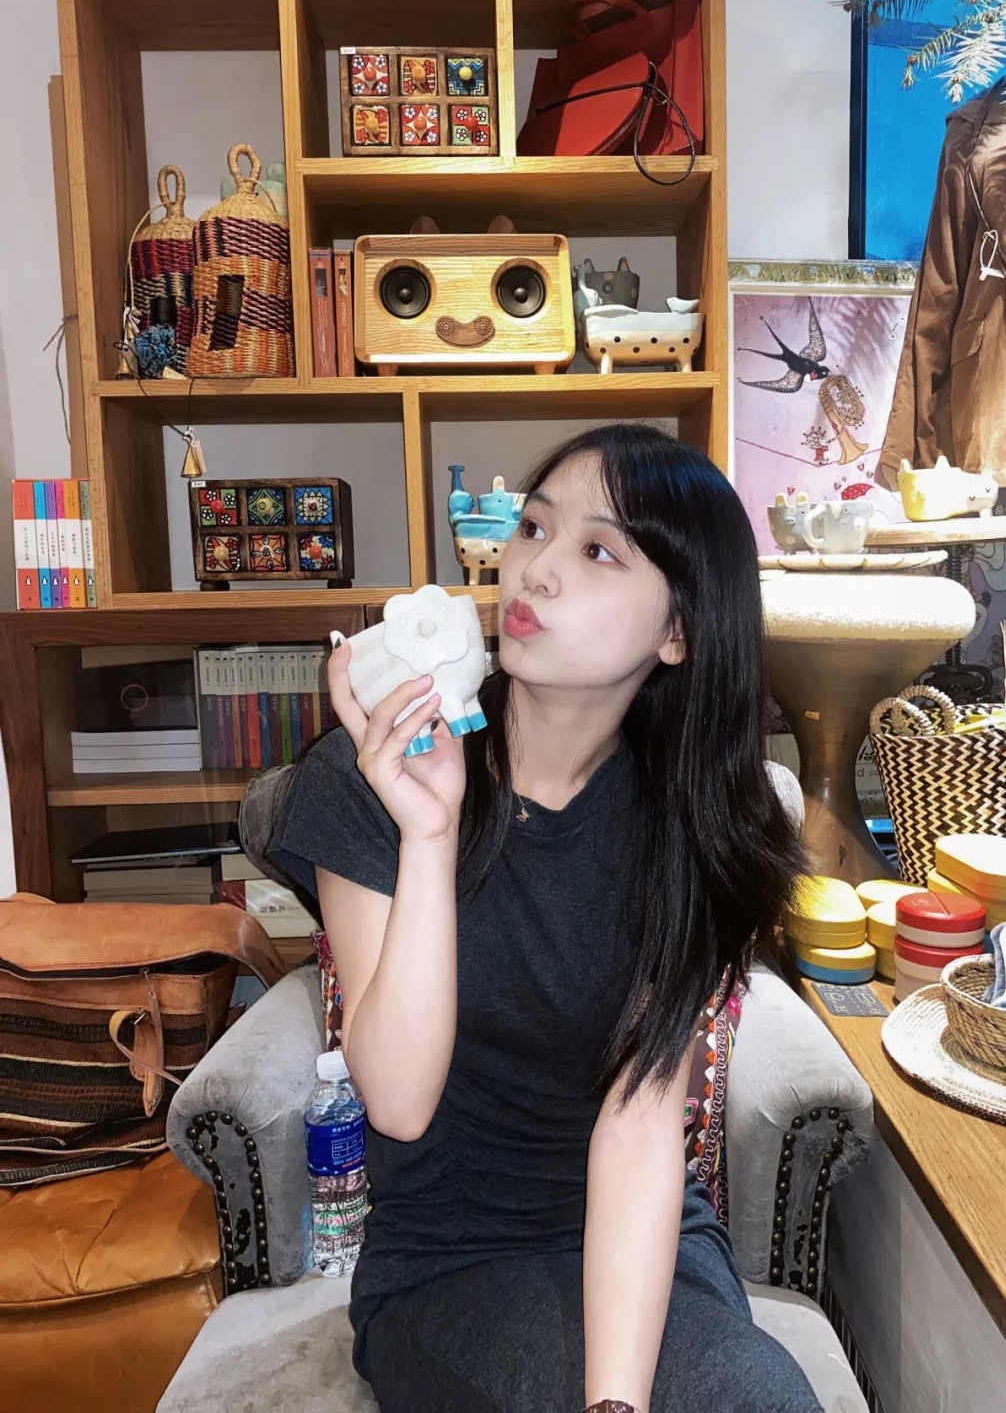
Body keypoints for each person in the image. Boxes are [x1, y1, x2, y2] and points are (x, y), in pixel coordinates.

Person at [269, 422, 821, 1413]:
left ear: (678, 631)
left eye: (599, 550)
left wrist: (618, 1402)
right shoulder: (367, 778)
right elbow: (397, 1101)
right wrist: (430, 834)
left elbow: (642, 1125)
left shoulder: (694, 823)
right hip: (451, 1258)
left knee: (760, 1400)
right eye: (532, 528)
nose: (535, 570)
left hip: (644, 1237)